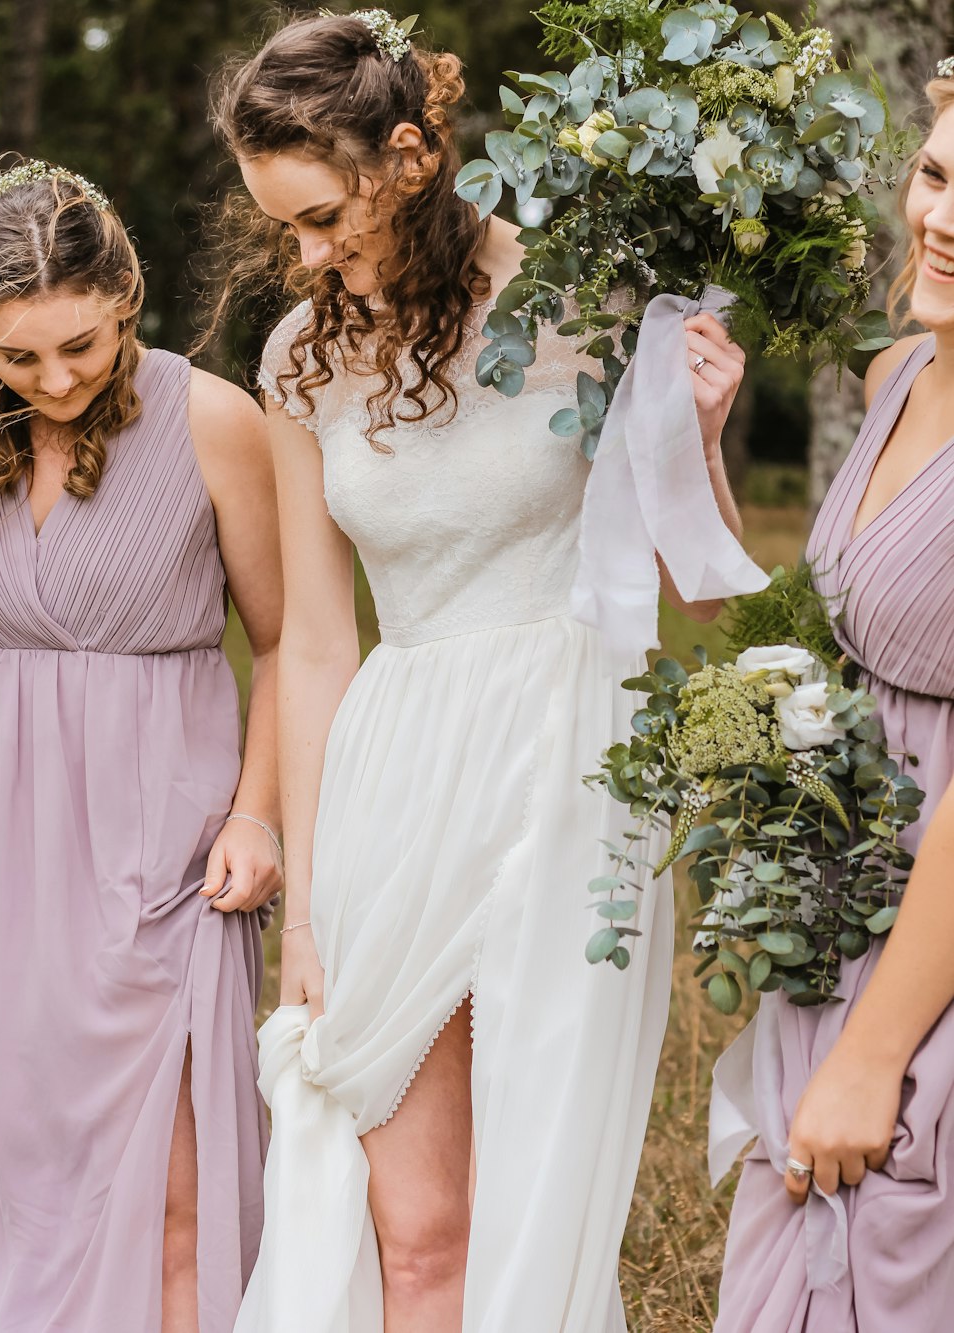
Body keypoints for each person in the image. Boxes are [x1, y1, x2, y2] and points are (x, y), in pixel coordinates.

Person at [212, 12, 747, 1332]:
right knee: (419, 1218)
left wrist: (705, 429)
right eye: (287, 225)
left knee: (542, 1199)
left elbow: (692, 586)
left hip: (573, 762)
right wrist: (316, 909)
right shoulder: (300, 358)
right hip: (402, 764)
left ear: (409, 157)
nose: (310, 252)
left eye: (326, 214)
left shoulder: (588, 295)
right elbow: (323, 639)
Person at [0, 161, 283, 1333]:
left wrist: (257, 810)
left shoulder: (214, 419)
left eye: (81, 346)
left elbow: (287, 643)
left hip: (161, 843)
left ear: (127, 293)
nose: (55, 380)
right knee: (1, 1167)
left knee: (172, 1188)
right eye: (17, 357)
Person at [712, 66, 954, 1331]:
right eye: (935, 173)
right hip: (850, 901)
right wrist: (705, 448)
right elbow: (808, 643)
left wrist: (873, 1057)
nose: (943, 219)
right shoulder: (897, 379)